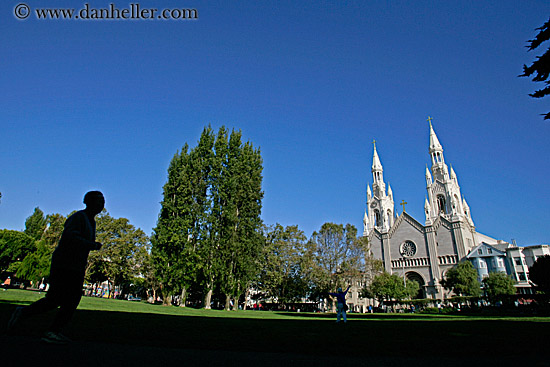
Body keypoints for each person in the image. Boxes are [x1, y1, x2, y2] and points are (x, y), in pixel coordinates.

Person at [7, 191, 105, 344]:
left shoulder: (90, 221)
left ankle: (45, 325)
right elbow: (70, 237)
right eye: (99, 200)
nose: (102, 204)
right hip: (66, 265)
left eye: (102, 201)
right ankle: (46, 327)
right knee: (60, 299)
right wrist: (90, 245)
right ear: (89, 202)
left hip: (76, 265)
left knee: (64, 299)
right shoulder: (79, 218)